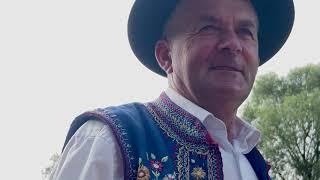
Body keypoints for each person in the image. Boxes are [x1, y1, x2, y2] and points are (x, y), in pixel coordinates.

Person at [50, 0, 295, 179]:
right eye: (208, 28)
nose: (233, 44)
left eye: (245, 32)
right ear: (166, 55)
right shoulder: (106, 140)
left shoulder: (255, 163)